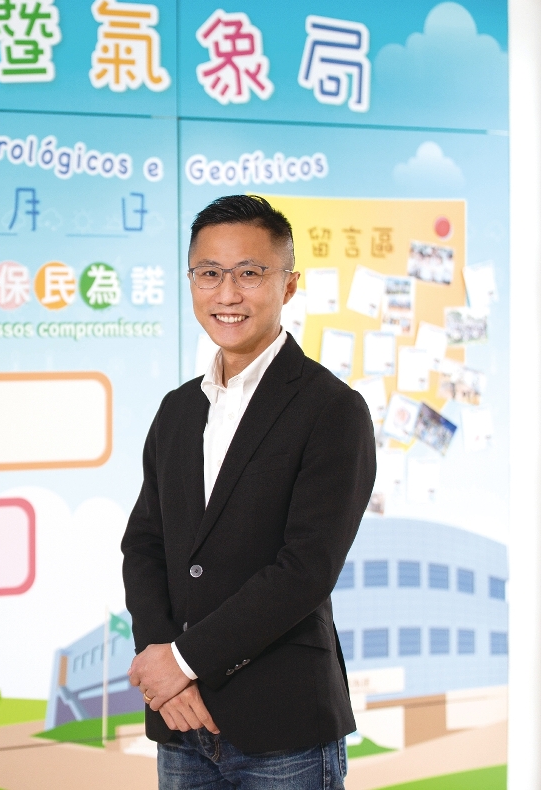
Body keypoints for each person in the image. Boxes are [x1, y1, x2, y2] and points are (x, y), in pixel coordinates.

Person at [122, 194, 376, 789]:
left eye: (250, 273)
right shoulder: (178, 409)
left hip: (282, 725)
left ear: (288, 285)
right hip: (181, 724)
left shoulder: (333, 410)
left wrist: (183, 662)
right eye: (209, 273)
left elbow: (305, 570)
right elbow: (145, 544)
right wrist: (162, 664)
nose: (227, 294)